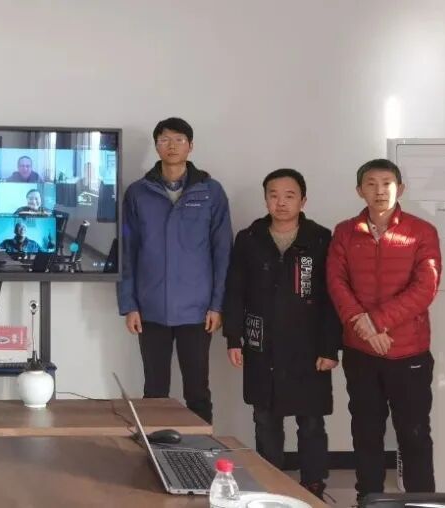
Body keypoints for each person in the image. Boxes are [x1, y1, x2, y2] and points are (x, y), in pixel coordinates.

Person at [222, 169, 340, 500]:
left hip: (309, 346)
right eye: (273, 195)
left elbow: (333, 297)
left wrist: (330, 347)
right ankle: (271, 484)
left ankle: (313, 485)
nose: (281, 202)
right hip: (263, 344)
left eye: (289, 195)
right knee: (265, 418)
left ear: (303, 200)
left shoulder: (321, 239)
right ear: (265, 200)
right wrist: (234, 338)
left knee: (311, 421)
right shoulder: (249, 238)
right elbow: (235, 291)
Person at [327, 159, 441, 499]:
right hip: (360, 352)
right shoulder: (345, 232)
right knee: (366, 433)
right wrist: (365, 327)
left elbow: (426, 287)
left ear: (400, 188)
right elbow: (336, 282)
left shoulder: (421, 231)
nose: (380, 190)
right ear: (359, 190)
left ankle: (422, 503)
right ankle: (369, 500)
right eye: (371, 183)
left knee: (414, 435)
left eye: (387, 183)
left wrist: (377, 322)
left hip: (409, 352)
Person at [116, 117, 232, 424]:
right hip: (151, 308)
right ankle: (157, 448)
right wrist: (129, 304)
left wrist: (217, 305)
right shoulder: (138, 193)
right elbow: (127, 251)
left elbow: (222, 252)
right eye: (165, 140)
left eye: (179, 139)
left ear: (190, 146)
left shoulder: (210, 192)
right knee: (155, 390)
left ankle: (201, 449)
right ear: (157, 146)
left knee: (198, 390)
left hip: (197, 310)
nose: (172, 145)